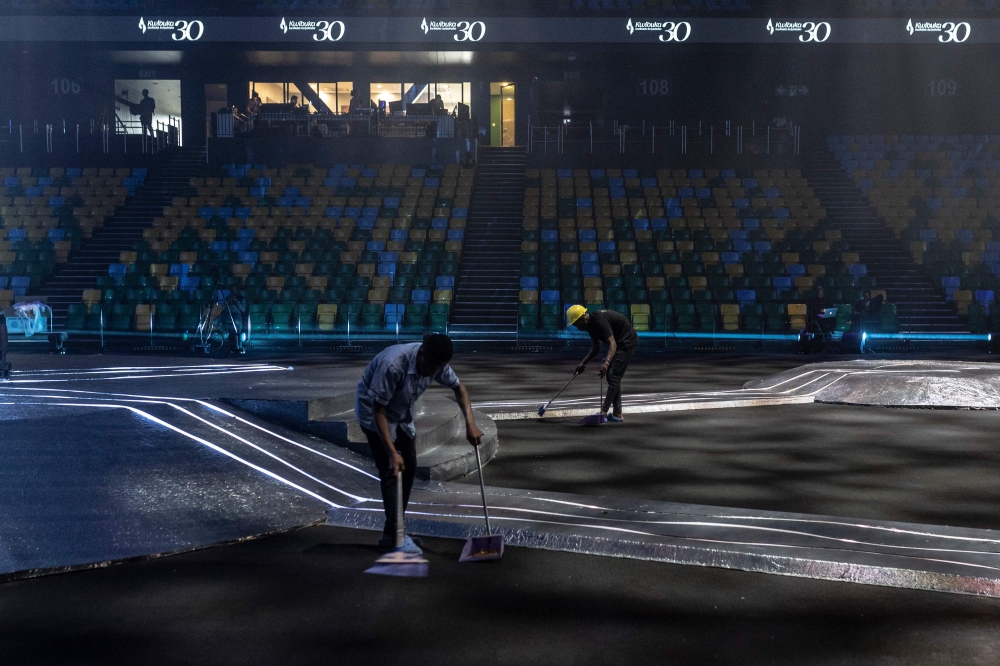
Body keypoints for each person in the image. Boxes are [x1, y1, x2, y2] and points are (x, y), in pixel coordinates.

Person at [356, 334, 483, 554]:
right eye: (431, 366)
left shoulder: (436, 363)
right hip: (375, 415)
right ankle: (395, 534)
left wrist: (471, 424)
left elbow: (459, 388)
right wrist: (392, 452)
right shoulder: (393, 364)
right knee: (390, 470)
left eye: (438, 368)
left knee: (410, 466)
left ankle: (392, 532)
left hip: (402, 413)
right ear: (422, 354)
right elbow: (379, 410)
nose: (433, 372)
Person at [566, 304, 638, 422]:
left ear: (583, 318)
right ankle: (617, 413)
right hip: (618, 343)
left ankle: (604, 412)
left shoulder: (599, 321)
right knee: (614, 376)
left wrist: (607, 362)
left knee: (613, 374)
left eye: (576, 324)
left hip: (627, 341)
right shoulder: (589, 325)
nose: (576, 327)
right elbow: (596, 346)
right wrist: (583, 363)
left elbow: (612, 344)